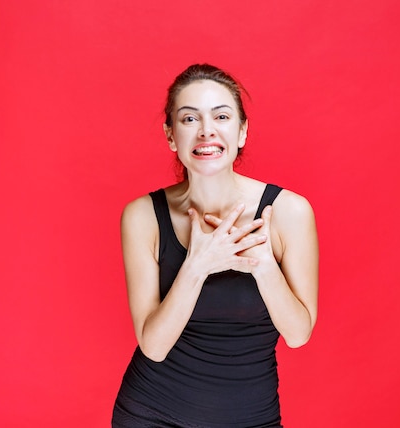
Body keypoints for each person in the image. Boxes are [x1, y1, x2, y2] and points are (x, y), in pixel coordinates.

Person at [112, 64, 319, 428]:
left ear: (241, 131)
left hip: (251, 417)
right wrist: (197, 265)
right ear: (171, 136)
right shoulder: (142, 216)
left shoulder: (289, 212)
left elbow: (298, 334)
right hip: (152, 414)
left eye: (221, 116)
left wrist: (263, 265)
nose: (206, 130)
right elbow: (154, 346)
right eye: (189, 118)